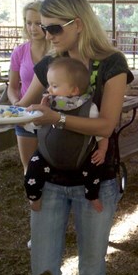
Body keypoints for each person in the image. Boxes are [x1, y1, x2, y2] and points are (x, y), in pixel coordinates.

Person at [22, 0, 133, 275]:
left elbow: (106, 125)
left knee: (91, 274)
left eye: (53, 28)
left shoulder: (112, 64)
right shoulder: (51, 65)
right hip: (50, 180)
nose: (46, 35)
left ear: (79, 24)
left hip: (95, 181)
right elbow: (23, 109)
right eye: (43, 27)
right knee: (43, 273)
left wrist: (56, 118)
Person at [24, 57, 108, 212]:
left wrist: (102, 150)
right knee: (33, 165)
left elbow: (101, 132)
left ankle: (92, 195)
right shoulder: (49, 105)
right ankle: (33, 196)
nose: (49, 89)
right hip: (48, 154)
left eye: (54, 86)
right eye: (49, 85)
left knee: (94, 169)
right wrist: (38, 115)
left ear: (74, 90)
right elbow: (36, 125)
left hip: (80, 154)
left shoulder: (89, 108)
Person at [8, 0, 51, 173]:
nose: (33, 28)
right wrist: (16, 104)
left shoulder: (58, 51)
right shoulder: (19, 52)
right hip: (25, 116)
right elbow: (12, 86)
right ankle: (33, 199)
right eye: (29, 23)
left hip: (52, 115)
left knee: (54, 166)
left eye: (38, 23)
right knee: (30, 168)